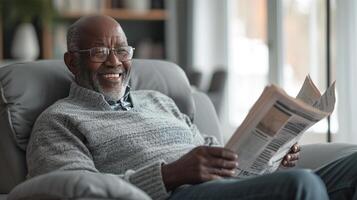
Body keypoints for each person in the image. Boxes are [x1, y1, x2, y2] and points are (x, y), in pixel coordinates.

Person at [26, 15, 357, 200]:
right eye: (99, 52)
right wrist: (169, 175)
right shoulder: (59, 121)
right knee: (304, 187)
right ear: (72, 61)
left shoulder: (159, 101)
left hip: (228, 188)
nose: (115, 62)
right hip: (178, 197)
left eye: (123, 50)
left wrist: (273, 161)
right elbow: (76, 193)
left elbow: (224, 161)